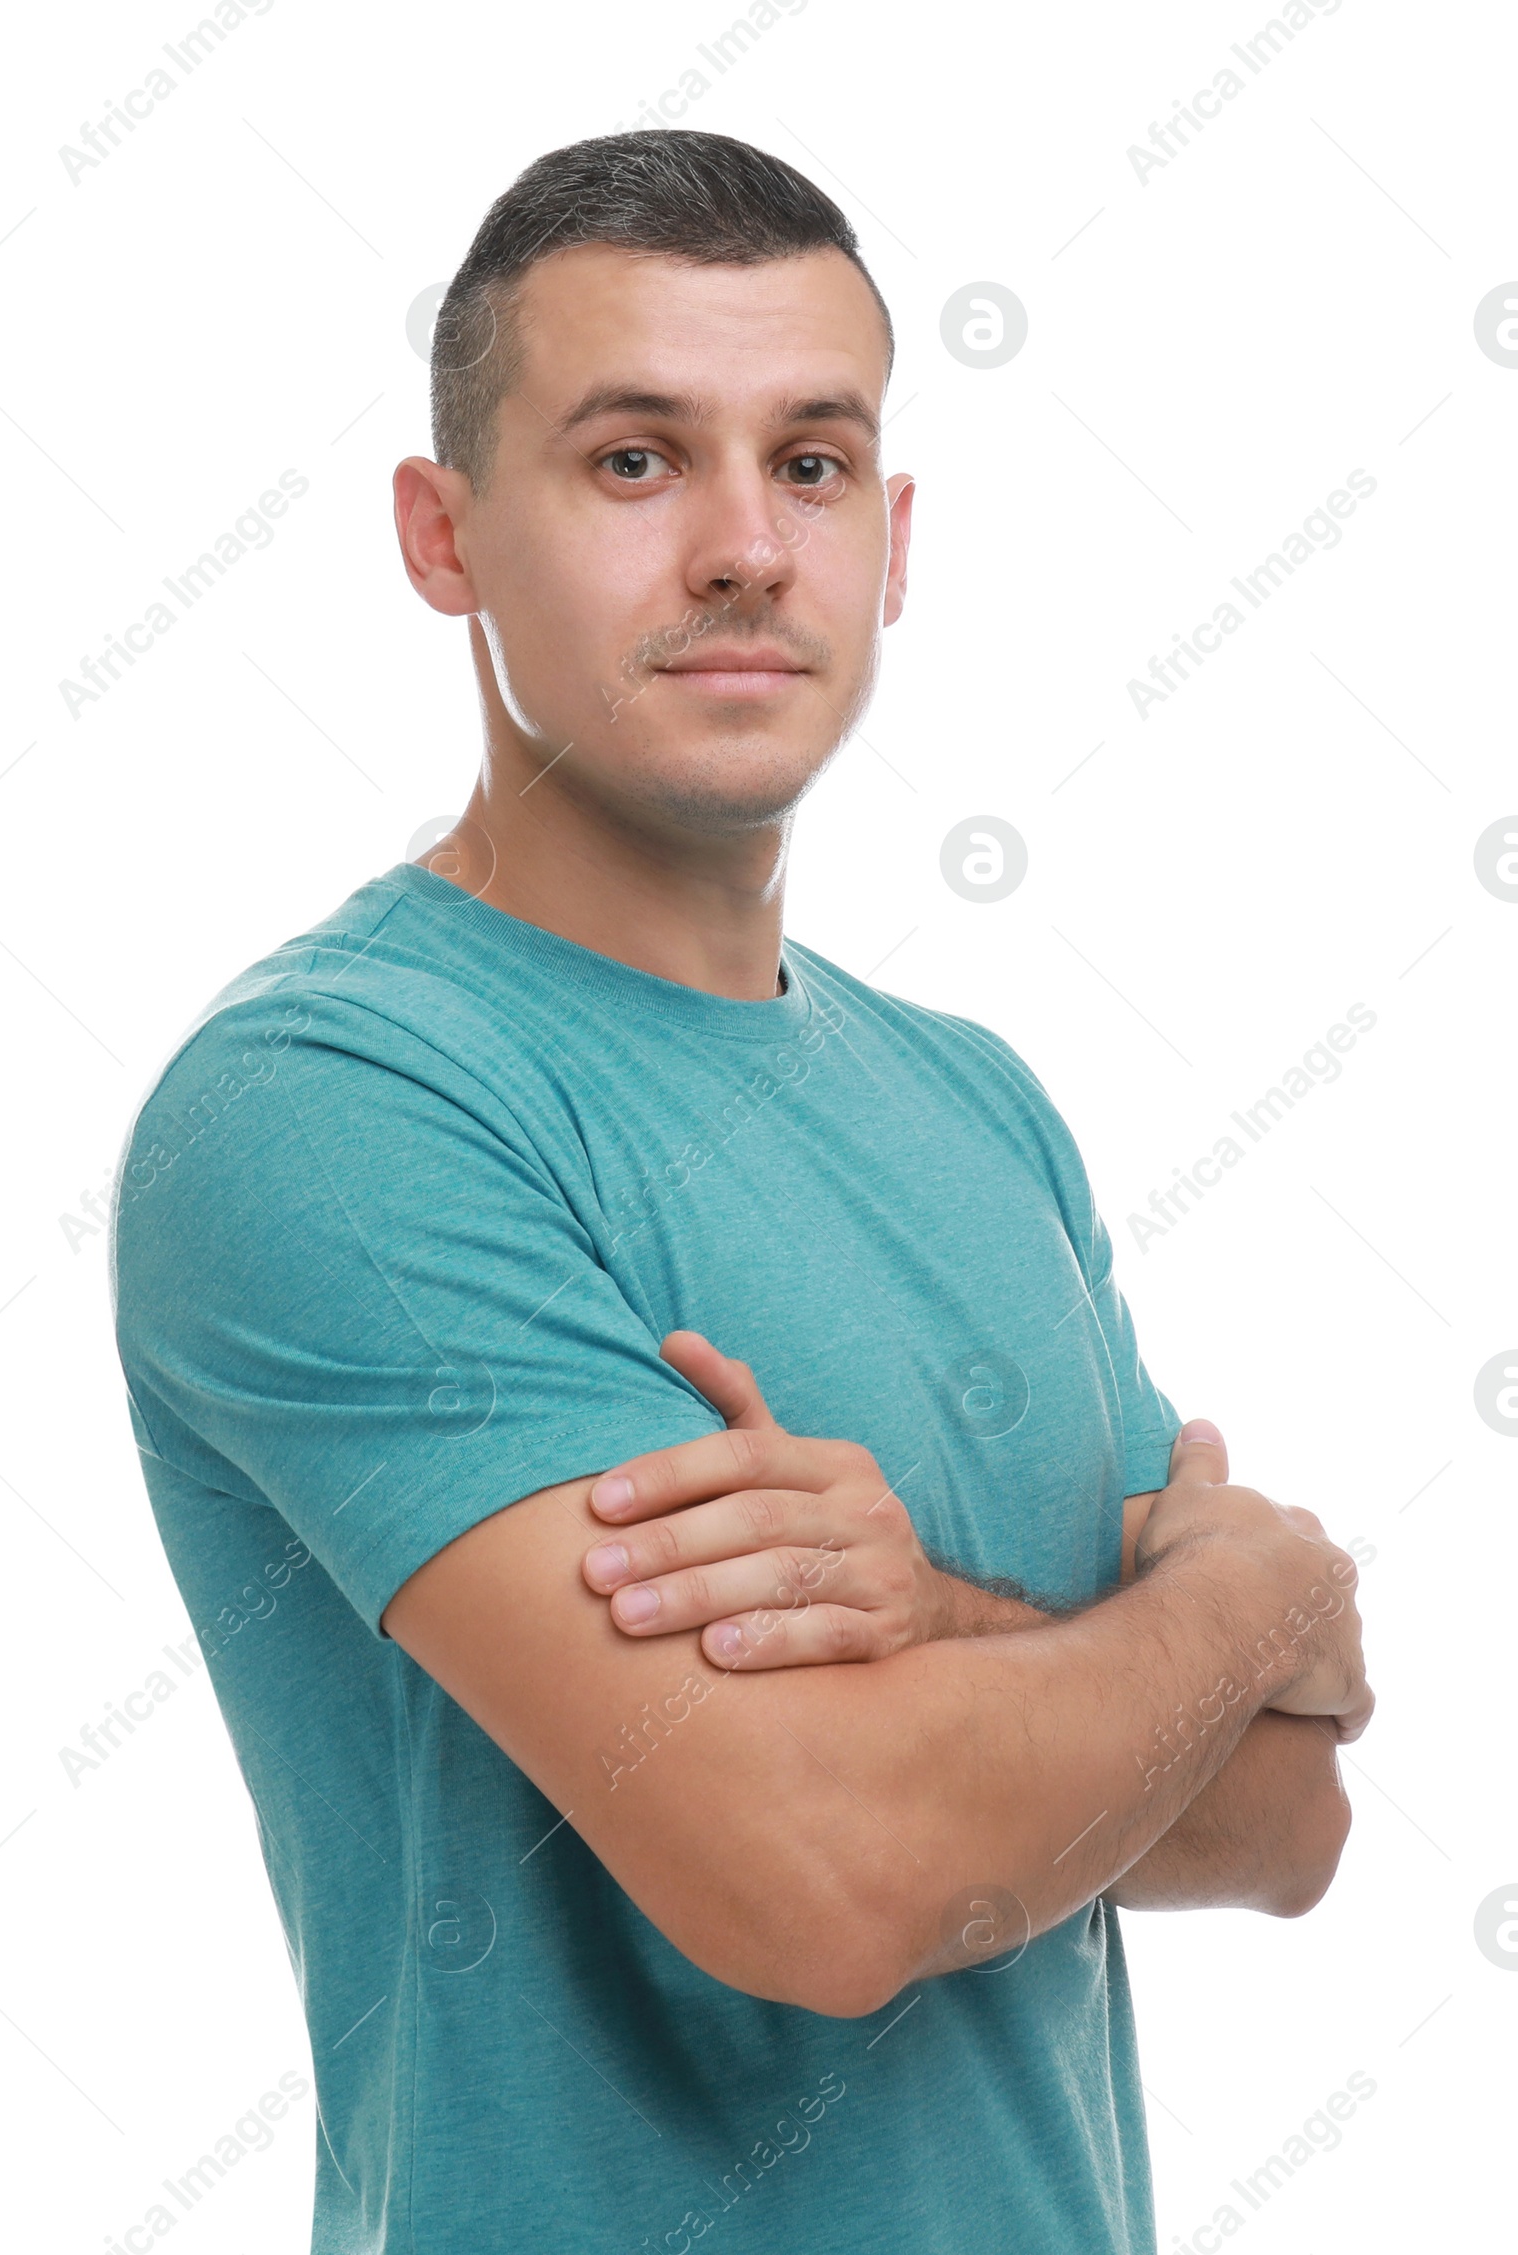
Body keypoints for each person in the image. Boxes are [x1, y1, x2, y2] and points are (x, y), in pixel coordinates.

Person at [110, 128, 1371, 2255]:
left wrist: (954, 1631)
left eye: (807, 462)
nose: (736, 548)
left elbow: (1278, 1815)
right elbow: (824, 1879)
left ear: (891, 540)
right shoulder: (334, 1101)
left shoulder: (974, 1105)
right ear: (442, 537)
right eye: (630, 461)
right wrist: (1248, 1604)